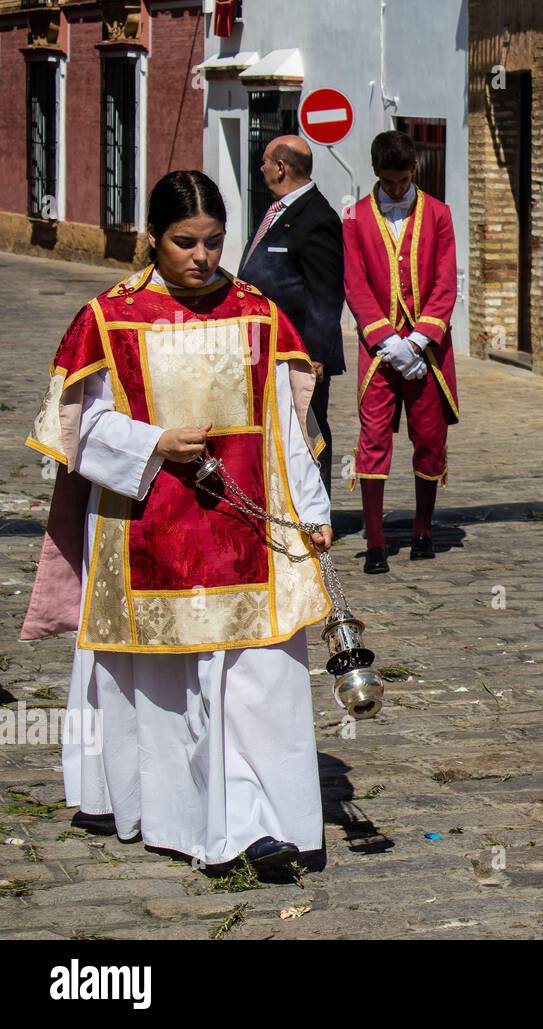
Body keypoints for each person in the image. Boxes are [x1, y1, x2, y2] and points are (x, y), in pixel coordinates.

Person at [22, 170, 334, 874]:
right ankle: (182, 815)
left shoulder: (256, 312)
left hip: (249, 531)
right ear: (151, 239)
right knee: (169, 687)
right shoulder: (110, 317)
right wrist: (153, 443)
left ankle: (262, 821)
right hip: (146, 526)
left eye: (214, 241)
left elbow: (283, 426)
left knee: (256, 680)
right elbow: (80, 428)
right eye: (184, 242)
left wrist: (312, 510)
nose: (201, 256)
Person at [342, 130, 458, 573]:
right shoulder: (353, 218)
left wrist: (420, 339)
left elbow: (446, 281)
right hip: (379, 351)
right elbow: (355, 283)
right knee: (373, 440)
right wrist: (389, 342)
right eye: (388, 181)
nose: (395, 189)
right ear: (376, 173)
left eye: (402, 179)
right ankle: (375, 541)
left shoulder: (440, 215)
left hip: (429, 350)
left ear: (414, 170)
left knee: (429, 439)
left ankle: (423, 528)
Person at [238, 134, 346, 495]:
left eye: (266, 161)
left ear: (281, 167)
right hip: (264, 346)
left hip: (299, 354)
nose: (261, 167)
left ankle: (317, 519)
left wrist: (316, 354)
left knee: (308, 431)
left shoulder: (317, 218)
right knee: (276, 430)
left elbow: (326, 292)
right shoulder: (279, 210)